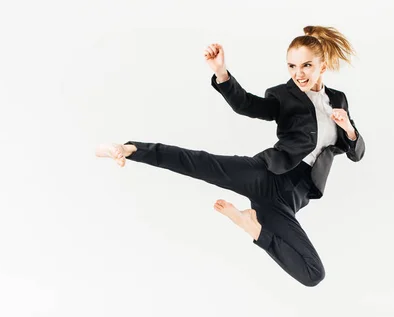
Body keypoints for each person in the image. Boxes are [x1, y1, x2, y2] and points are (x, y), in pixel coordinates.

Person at [95, 26, 366, 287]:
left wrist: (348, 129)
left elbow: (356, 153)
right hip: (266, 175)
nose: (299, 73)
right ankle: (130, 149)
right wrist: (222, 74)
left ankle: (253, 228)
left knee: (313, 274)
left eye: (306, 65)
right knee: (200, 163)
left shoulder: (338, 100)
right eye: (292, 66)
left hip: (287, 202)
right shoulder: (284, 96)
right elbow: (246, 105)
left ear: (322, 66)